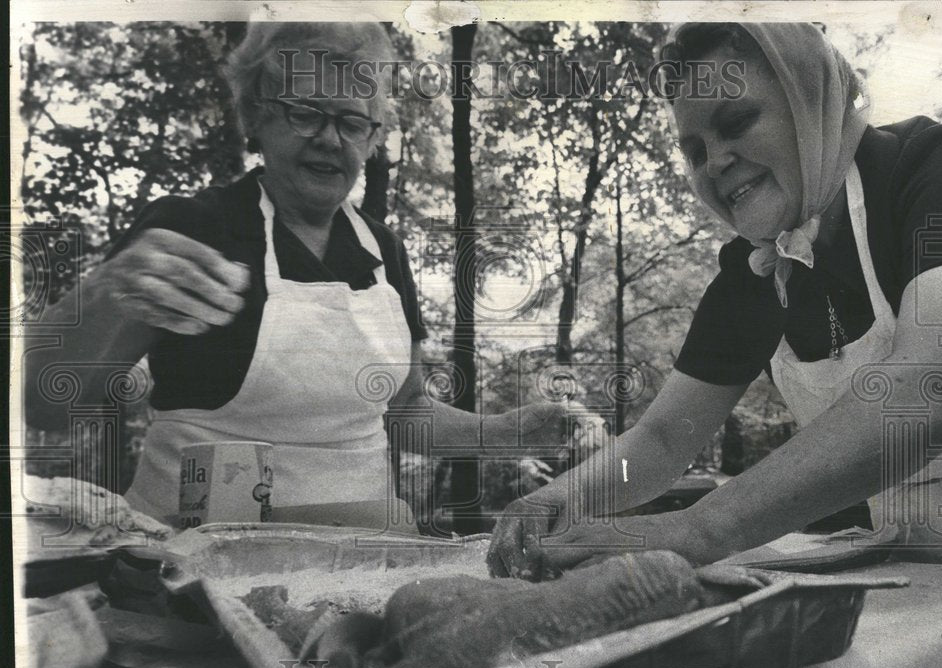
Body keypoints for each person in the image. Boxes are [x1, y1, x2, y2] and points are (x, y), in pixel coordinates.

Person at [488, 22, 942, 578]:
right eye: (695, 150)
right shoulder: (754, 270)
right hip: (910, 564)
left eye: (736, 122)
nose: (715, 162)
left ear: (810, 101)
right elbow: (662, 440)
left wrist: (697, 530)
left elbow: (933, 384)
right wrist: (560, 499)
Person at [24, 22, 570, 531]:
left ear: (372, 138)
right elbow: (43, 401)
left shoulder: (383, 250)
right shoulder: (192, 228)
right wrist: (105, 291)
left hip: (367, 563)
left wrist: (505, 433)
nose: (331, 139)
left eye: (353, 122)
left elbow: (404, 412)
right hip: (193, 575)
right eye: (306, 112)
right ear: (257, 117)